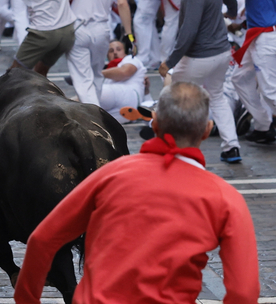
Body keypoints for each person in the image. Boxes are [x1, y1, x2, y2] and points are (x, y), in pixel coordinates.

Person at [13, 82, 260, 303]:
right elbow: (243, 293)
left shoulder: (111, 174)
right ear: (206, 131)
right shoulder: (226, 198)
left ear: (154, 124)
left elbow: (43, 240)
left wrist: (26, 299)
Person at [157, 0, 242, 163]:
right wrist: (231, 14)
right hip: (222, 54)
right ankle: (231, 147)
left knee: (171, 97)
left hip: (199, 58)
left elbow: (188, 33)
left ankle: (158, 138)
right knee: (216, 98)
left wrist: (170, 62)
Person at [65, 0, 133, 105]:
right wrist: (129, 34)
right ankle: (92, 112)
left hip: (78, 28)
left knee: (82, 78)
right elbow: (122, 3)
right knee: (97, 75)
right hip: (102, 30)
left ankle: (92, 114)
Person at [228, 0, 276, 143]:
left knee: (270, 90)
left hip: (265, 38)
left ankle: (265, 124)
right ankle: (264, 125)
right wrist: (243, 24)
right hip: (259, 35)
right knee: (239, 78)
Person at [100, 40, 147, 123]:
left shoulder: (131, 59)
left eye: (118, 49)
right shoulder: (107, 77)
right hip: (123, 109)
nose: (115, 53)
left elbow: (124, 72)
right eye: (111, 51)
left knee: (92, 92)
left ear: (125, 52)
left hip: (128, 94)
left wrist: (94, 74)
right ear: (107, 55)